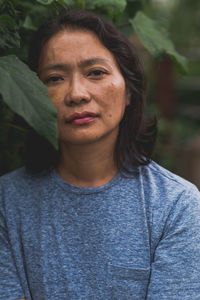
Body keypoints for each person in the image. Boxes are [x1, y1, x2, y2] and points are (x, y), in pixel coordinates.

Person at [0, 9, 200, 300]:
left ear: (129, 91)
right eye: (55, 78)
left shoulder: (176, 206)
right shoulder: (6, 203)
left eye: (96, 72)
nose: (76, 93)